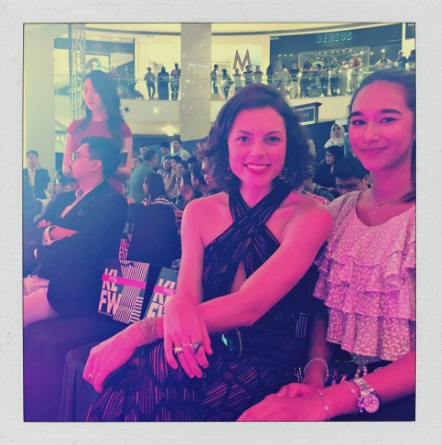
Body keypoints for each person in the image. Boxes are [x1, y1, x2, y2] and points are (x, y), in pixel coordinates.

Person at [81, 83, 332, 422]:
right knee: (143, 369)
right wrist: (175, 305)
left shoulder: (311, 215)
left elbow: (250, 306)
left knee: (151, 365)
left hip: (268, 367)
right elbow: (187, 300)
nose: (258, 151)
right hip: (204, 349)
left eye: (272, 139)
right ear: (225, 144)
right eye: (244, 139)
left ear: (289, 146)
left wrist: (136, 332)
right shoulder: (198, 211)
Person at [239, 69, 416, 422]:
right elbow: (325, 307)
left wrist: (325, 402)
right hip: (341, 382)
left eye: (387, 119)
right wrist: (314, 377)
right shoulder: (339, 211)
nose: (369, 134)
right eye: (358, 121)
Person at [23, 136, 128, 326]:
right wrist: (52, 231)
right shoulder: (63, 199)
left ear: (95, 164)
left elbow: (83, 247)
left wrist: (39, 250)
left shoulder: (112, 202)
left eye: (77, 156)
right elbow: (29, 232)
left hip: (63, 288)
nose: (70, 161)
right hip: (30, 273)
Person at [62, 70, 133, 195]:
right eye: (85, 91)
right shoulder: (75, 127)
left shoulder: (120, 128)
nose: (89, 96)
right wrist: (71, 168)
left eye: (95, 91)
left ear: (106, 93)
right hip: (81, 194)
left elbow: (127, 172)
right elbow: (65, 168)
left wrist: (103, 164)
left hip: (111, 195)